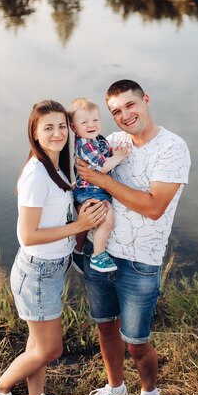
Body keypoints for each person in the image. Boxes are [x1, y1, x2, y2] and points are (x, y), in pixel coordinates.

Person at [76, 80, 191, 395]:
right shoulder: (112, 141)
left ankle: (150, 394)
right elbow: (80, 168)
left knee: (137, 341)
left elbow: (154, 207)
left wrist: (103, 180)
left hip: (141, 262)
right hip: (101, 253)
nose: (125, 115)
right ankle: (115, 388)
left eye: (130, 105)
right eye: (116, 111)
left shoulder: (172, 147)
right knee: (106, 328)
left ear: (146, 100)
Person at [0, 100, 106, 395]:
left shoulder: (56, 168)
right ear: (35, 134)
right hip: (37, 272)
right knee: (50, 349)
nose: (57, 133)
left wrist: (82, 227)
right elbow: (28, 235)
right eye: (48, 128)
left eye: (62, 126)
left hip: (54, 269)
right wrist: (78, 226)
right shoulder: (36, 174)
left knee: (37, 342)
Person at [68, 97, 130, 273]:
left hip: (90, 188)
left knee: (94, 219)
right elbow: (102, 168)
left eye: (95, 120)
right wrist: (118, 157)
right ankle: (98, 255)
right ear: (74, 127)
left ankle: (77, 249)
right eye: (84, 122)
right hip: (91, 190)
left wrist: (113, 152)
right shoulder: (86, 144)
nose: (91, 125)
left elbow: (104, 153)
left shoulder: (96, 139)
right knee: (106, 217)